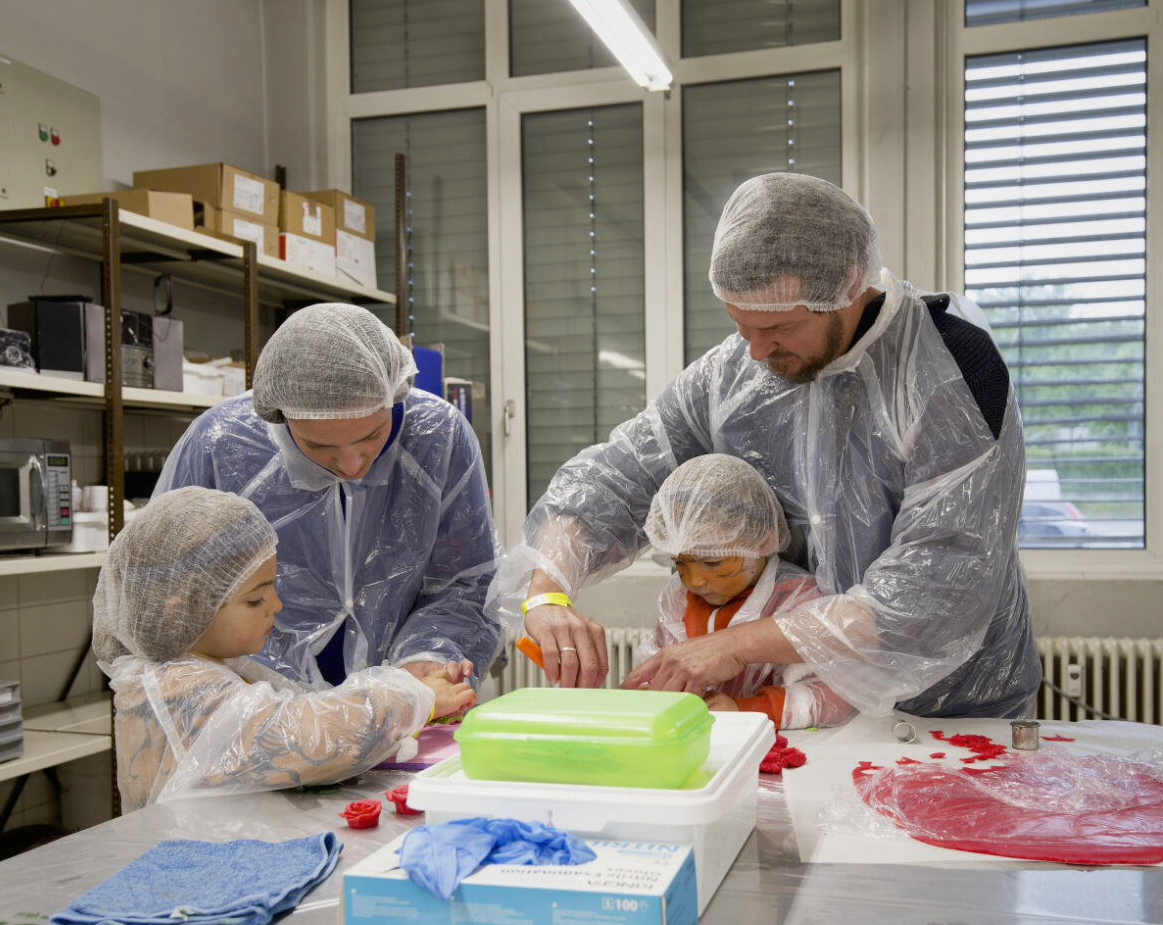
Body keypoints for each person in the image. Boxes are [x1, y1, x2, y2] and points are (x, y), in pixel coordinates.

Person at [493, 172, 1040, 719]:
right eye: (738, 324)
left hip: (947, 709)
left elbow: (934, 592)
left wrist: (733, 645)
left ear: (848, 284)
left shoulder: (947, 372)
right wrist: (548, 593)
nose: (755, 351)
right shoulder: (731, 375)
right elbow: (616, 478)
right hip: (796, 709)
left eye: (779, 326)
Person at [155, 303, 501, 697]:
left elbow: (468, 582)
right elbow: (164, 591)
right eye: (318, 445)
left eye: (372, 435)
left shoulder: (437, 436)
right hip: (258, 698)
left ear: (395, 395)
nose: (351, 465)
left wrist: (427, 654)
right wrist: (238, 684)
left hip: (409, 695)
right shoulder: (222, 445)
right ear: (280, 417)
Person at [92, 486, 471, 811]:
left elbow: (303, 708)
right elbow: (313, 736)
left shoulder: (203, 667)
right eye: (255, 600)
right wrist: (417, 697)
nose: (276, 606)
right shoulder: (179, 689)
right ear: (181, 612)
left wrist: (412, 707)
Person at [637, 454, 854, 730]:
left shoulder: (797, 600)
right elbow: (659, 663)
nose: (694, 581)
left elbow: (833, 699)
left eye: (713, 562)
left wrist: (746, 709)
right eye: (679, 562)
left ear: (764, 540)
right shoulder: (678, 600)